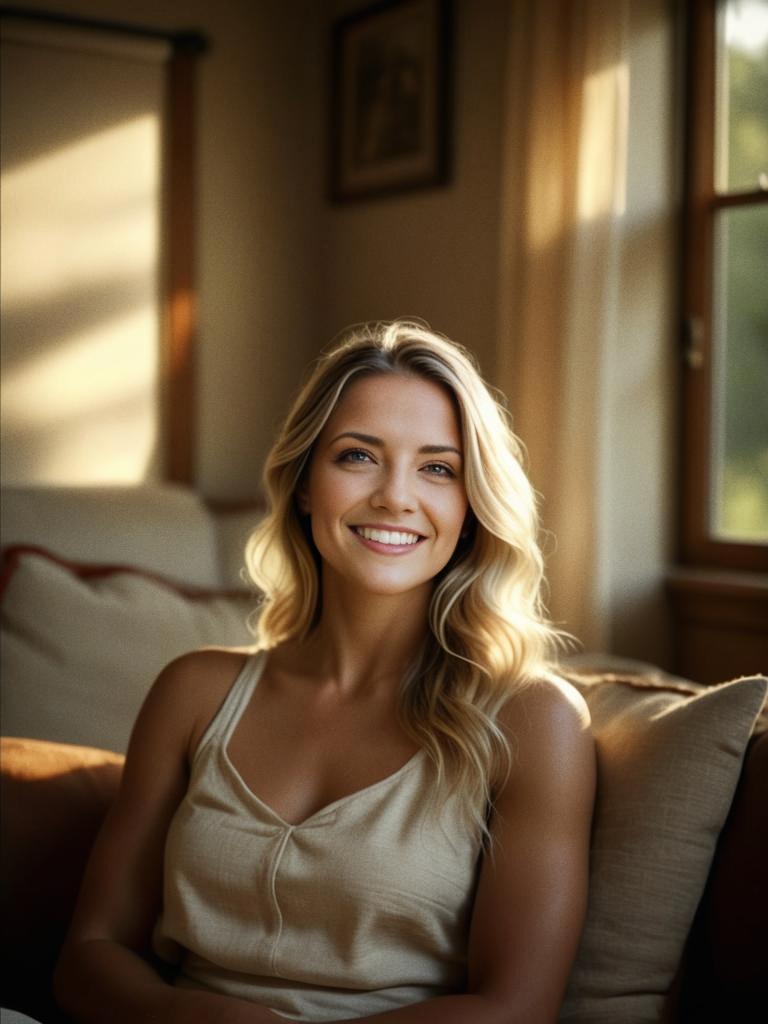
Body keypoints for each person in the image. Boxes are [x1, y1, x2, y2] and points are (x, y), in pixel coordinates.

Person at [54, 320, 596, 1024]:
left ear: (471, 511)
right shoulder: (194, 691)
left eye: (439, 468)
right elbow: (89, 955)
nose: (396, 497)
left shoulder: (532, 720)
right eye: (358, 457)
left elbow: (514, 1010)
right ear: (305, 484)